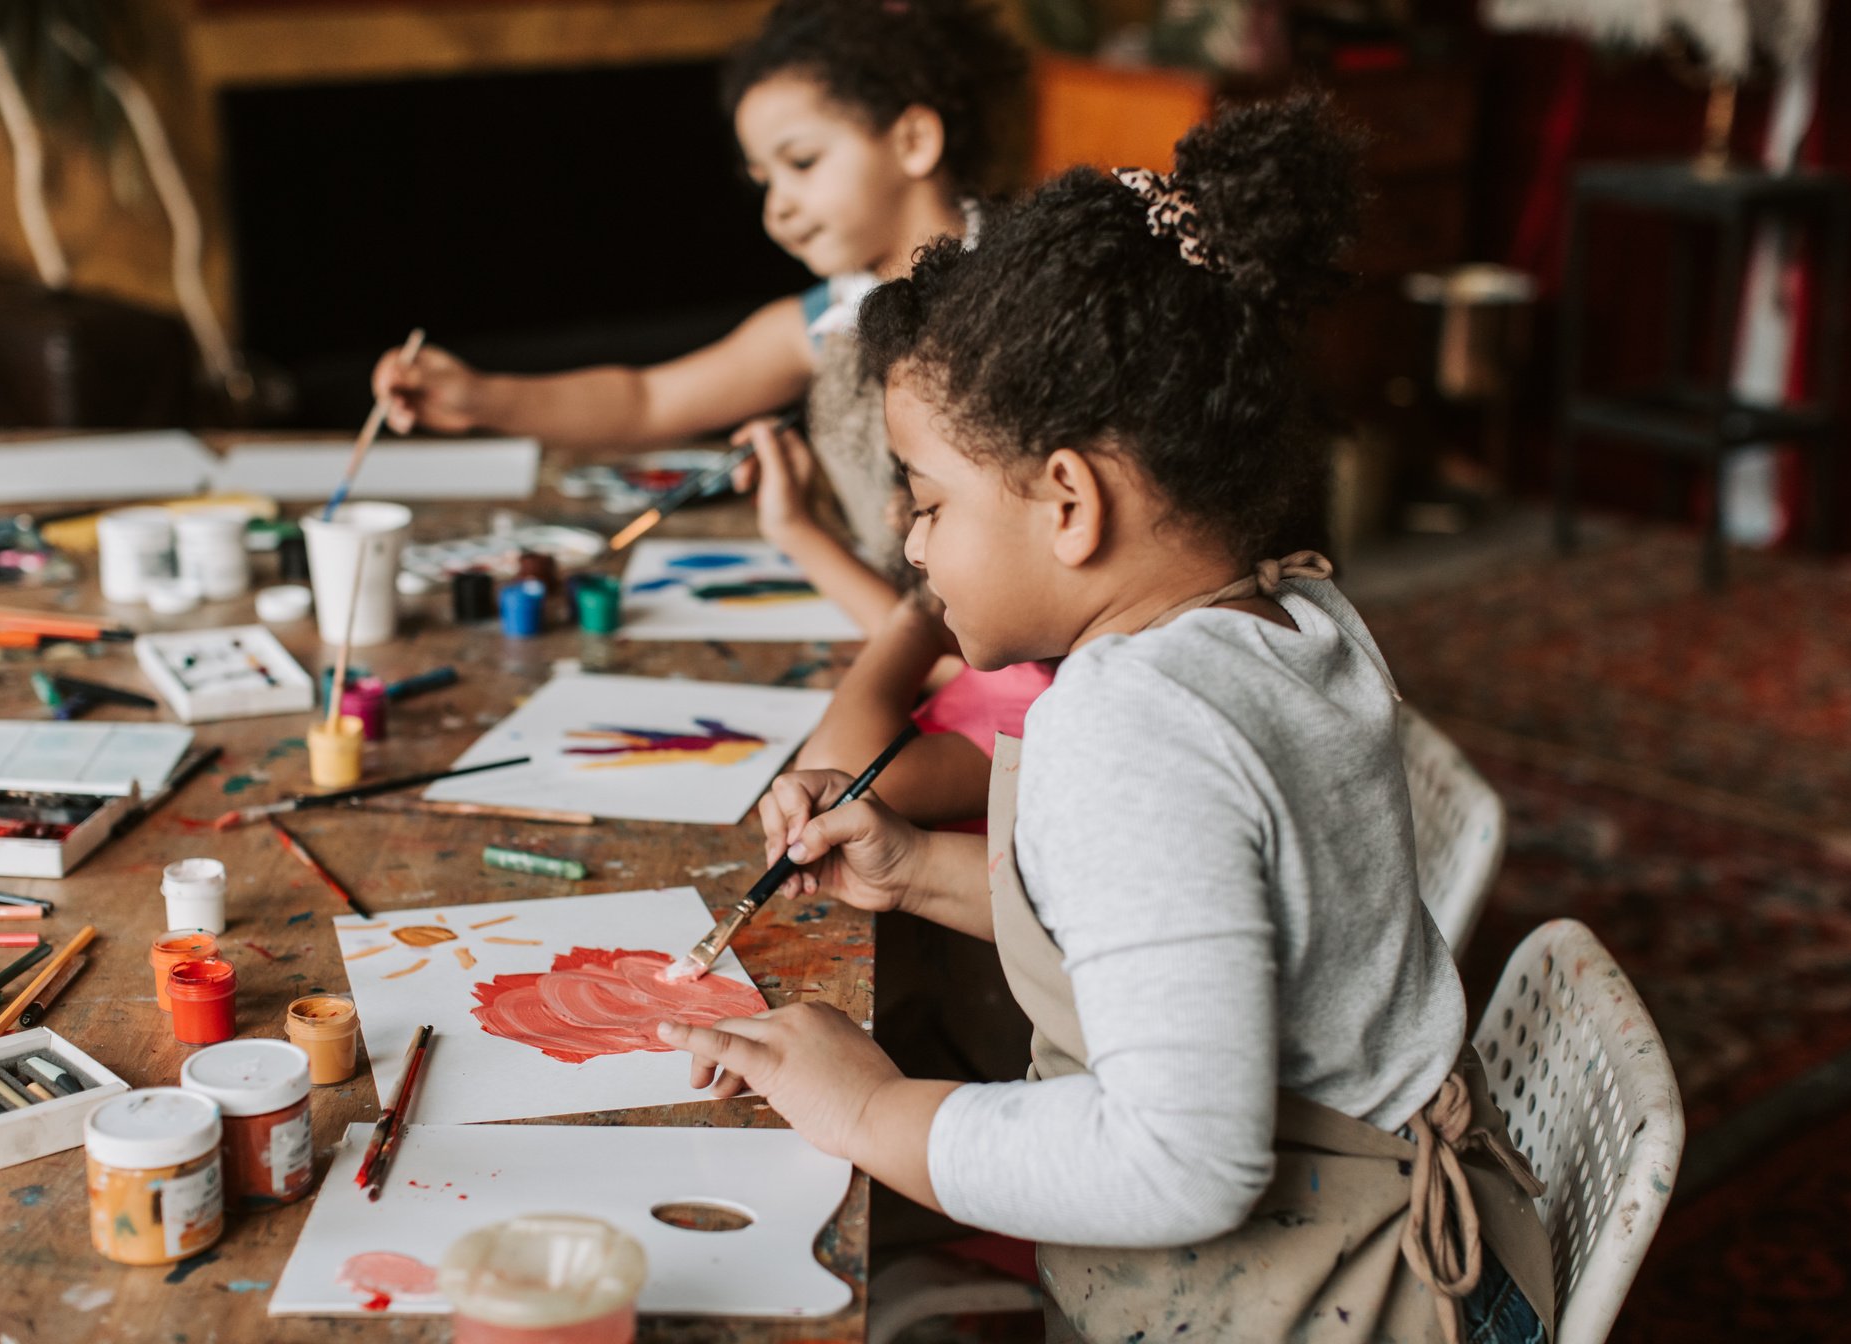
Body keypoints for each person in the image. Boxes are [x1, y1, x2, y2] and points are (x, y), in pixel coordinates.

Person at [658, 96, 1556, 1343]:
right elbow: (1197, 934)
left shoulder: (1128, 727)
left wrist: (867, 1109)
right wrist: (914, 870)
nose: (914, 552)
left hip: (1340, 1302)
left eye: (926, 504)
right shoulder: (1293, 613)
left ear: (1069, 503)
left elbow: (1176, 1164)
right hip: (1433, 1252)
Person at [368, 0, 1023, 640]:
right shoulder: (831, 317)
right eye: (763, 180)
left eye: (802, 163)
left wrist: (798, 530)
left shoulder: (1012, 311)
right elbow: (647, 399)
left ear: (913, 140)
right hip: (894, 638)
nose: (778, 210)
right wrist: (481, 397)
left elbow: (971, 643)